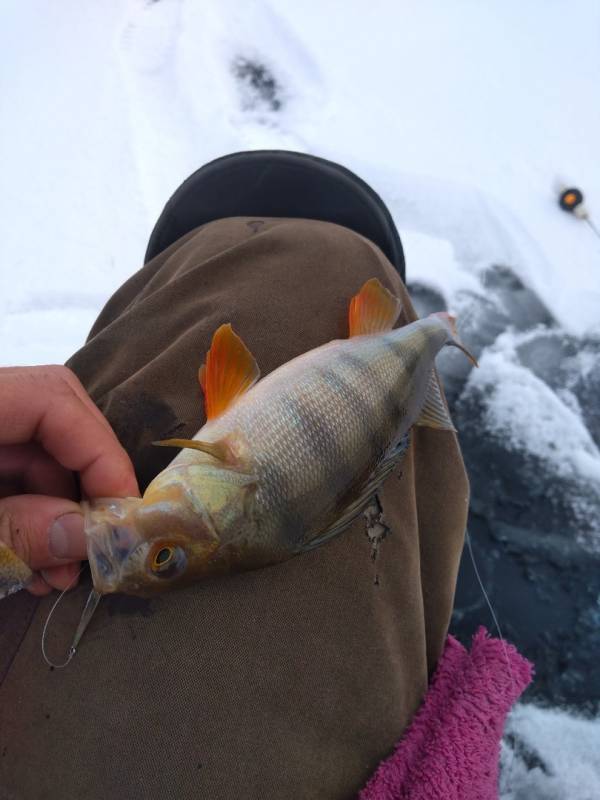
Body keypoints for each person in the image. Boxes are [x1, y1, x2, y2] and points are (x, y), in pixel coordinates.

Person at [0, 152, 529, 800]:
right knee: (332, 259)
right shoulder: (226, 493)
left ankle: (393, 321)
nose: (141, 546)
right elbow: (229, 355)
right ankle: (385, 304)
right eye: (162, 556)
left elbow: (227, 359)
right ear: (228, 504)